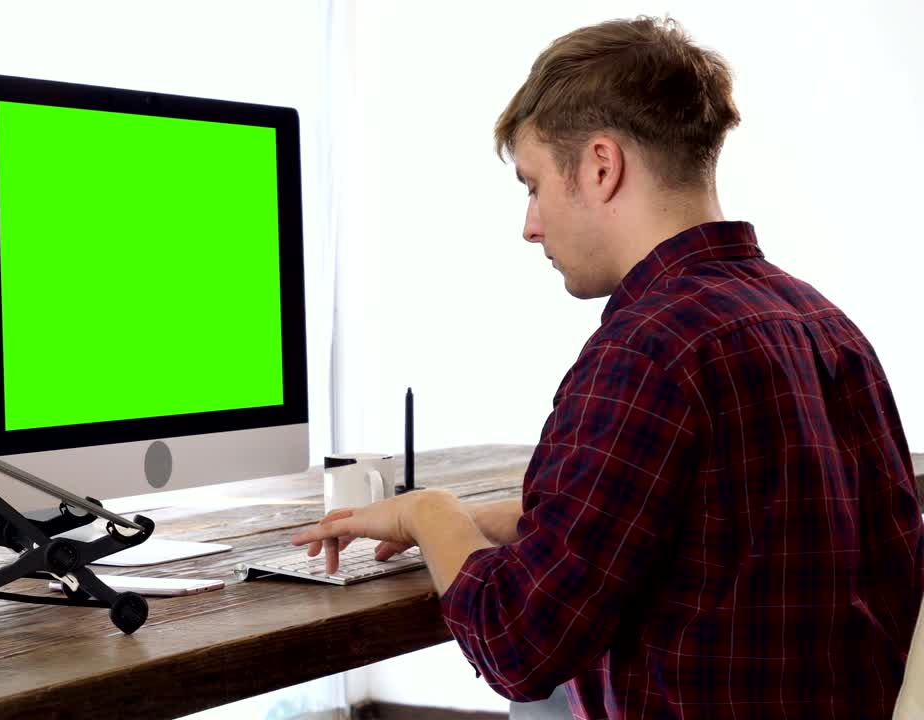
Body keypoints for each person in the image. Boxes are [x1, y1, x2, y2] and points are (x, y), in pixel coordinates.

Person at [293, 15, 924, 720]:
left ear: (600, 165)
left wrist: (428, 511)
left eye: (532, 186)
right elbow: (752, 530)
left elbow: (518, 645)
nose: (529, 225)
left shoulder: (649, 348)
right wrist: (513, 522)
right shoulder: (824, 326)